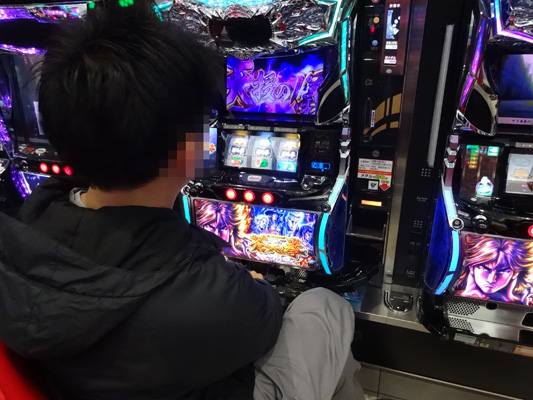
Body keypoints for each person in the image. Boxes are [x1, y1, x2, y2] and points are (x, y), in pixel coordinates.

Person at [0, 2, 363, 400]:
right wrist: (249, 283)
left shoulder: (29, 224)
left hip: (89, 380)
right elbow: (266, 316)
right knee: (326, 306)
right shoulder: (214, 296)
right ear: (189, 150)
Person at [455, 234, 533, 306]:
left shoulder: (527, 301)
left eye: (502, 271)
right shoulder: (454, 294)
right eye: (485, 269)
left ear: (515, 273)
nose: (491, 279)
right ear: (471, 267)